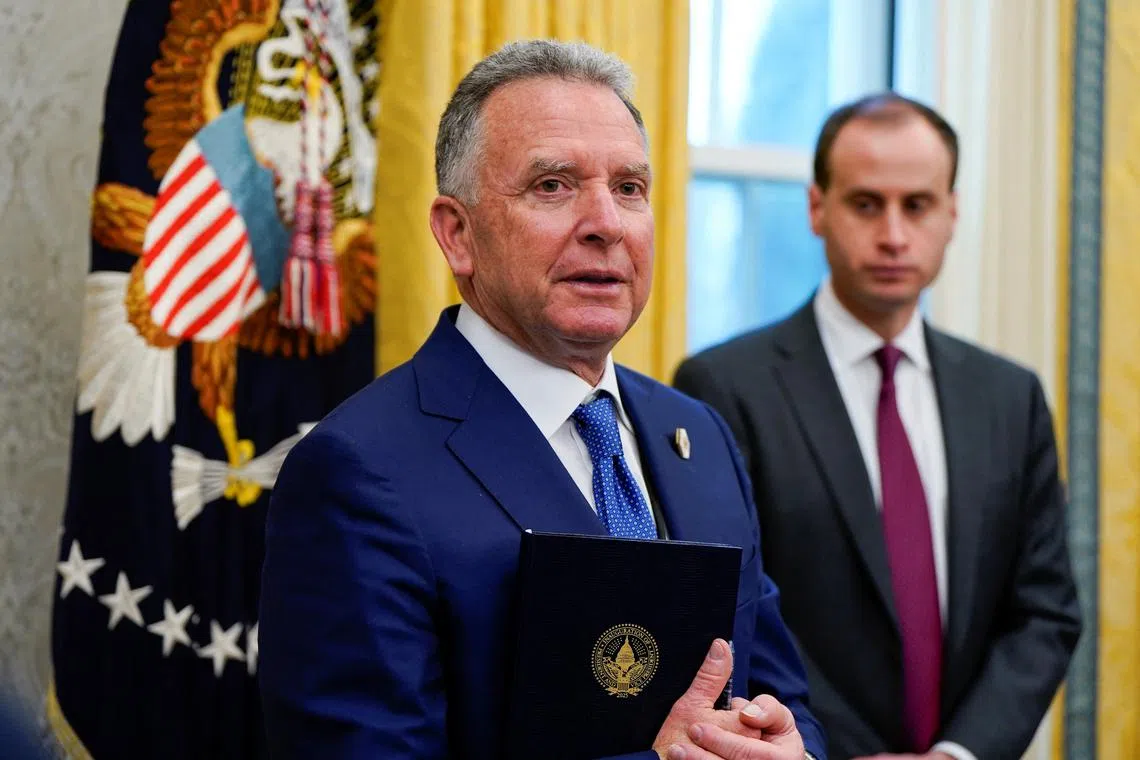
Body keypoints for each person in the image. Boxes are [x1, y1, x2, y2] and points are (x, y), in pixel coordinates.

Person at [258, 39, 826, 760]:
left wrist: (789, 747)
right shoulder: (358, 471)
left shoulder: (699, 435)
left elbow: (782, 692)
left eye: (629, 188)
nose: (606, 223)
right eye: (553, 185)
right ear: (457, 234)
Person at [673, 93, 1082, 760]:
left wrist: (957, 754)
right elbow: (730, 614)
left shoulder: (1011, 396)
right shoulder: (721, 388)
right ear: (816, 208)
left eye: (917, 205)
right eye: (866, 204)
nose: (893, 234)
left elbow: (1044, 612)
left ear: (952, 212)